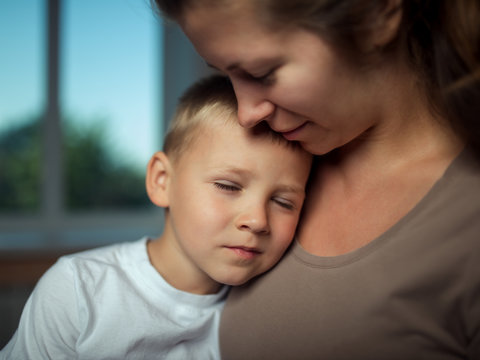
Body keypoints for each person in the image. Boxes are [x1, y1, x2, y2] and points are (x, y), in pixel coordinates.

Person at [152, 0, 480, 358]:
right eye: (226, 74)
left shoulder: (466, 221)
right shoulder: (273, 158)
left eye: (261, 73)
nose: (246, 114)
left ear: (376, 14)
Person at [0, 75, 312, 359]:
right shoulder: (79, 291)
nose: (257, 221)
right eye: (228, 186)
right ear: (162, 181)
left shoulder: (272, 314)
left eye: (283, 201)